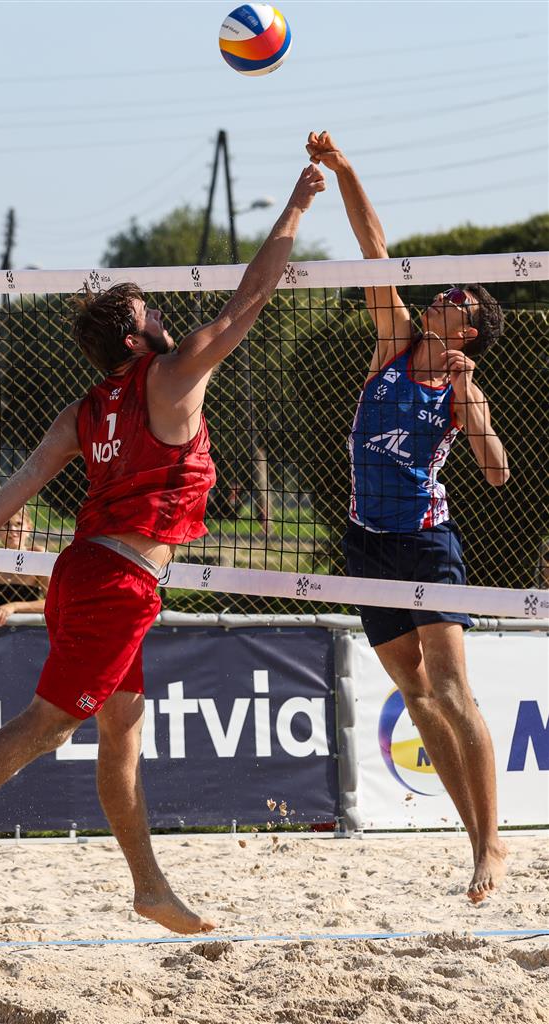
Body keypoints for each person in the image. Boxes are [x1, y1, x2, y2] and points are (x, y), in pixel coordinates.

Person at [0, 161, 326, 932]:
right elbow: (253, 294)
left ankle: (149, 887)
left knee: (121, 732)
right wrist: (295, 204)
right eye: (148, 309)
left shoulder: (86, 407)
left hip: (83, 571)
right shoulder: (175, 371)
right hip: (116, 582)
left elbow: (28, 474)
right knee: (49, 724)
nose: (161, 311)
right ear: (135, 336)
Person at [306, 131, 509, 904]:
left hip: (427, 544)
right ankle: (470, 834)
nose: (443, 296)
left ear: (468, 332)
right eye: (445, 292)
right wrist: (345, 168)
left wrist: (467, 395)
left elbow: (496, 470)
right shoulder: (393, 344)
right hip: (367, 544)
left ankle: (492, 844)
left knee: (453, 693)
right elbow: (374, 248)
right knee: (417, 698)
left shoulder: (461, 385)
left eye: (457, 301)